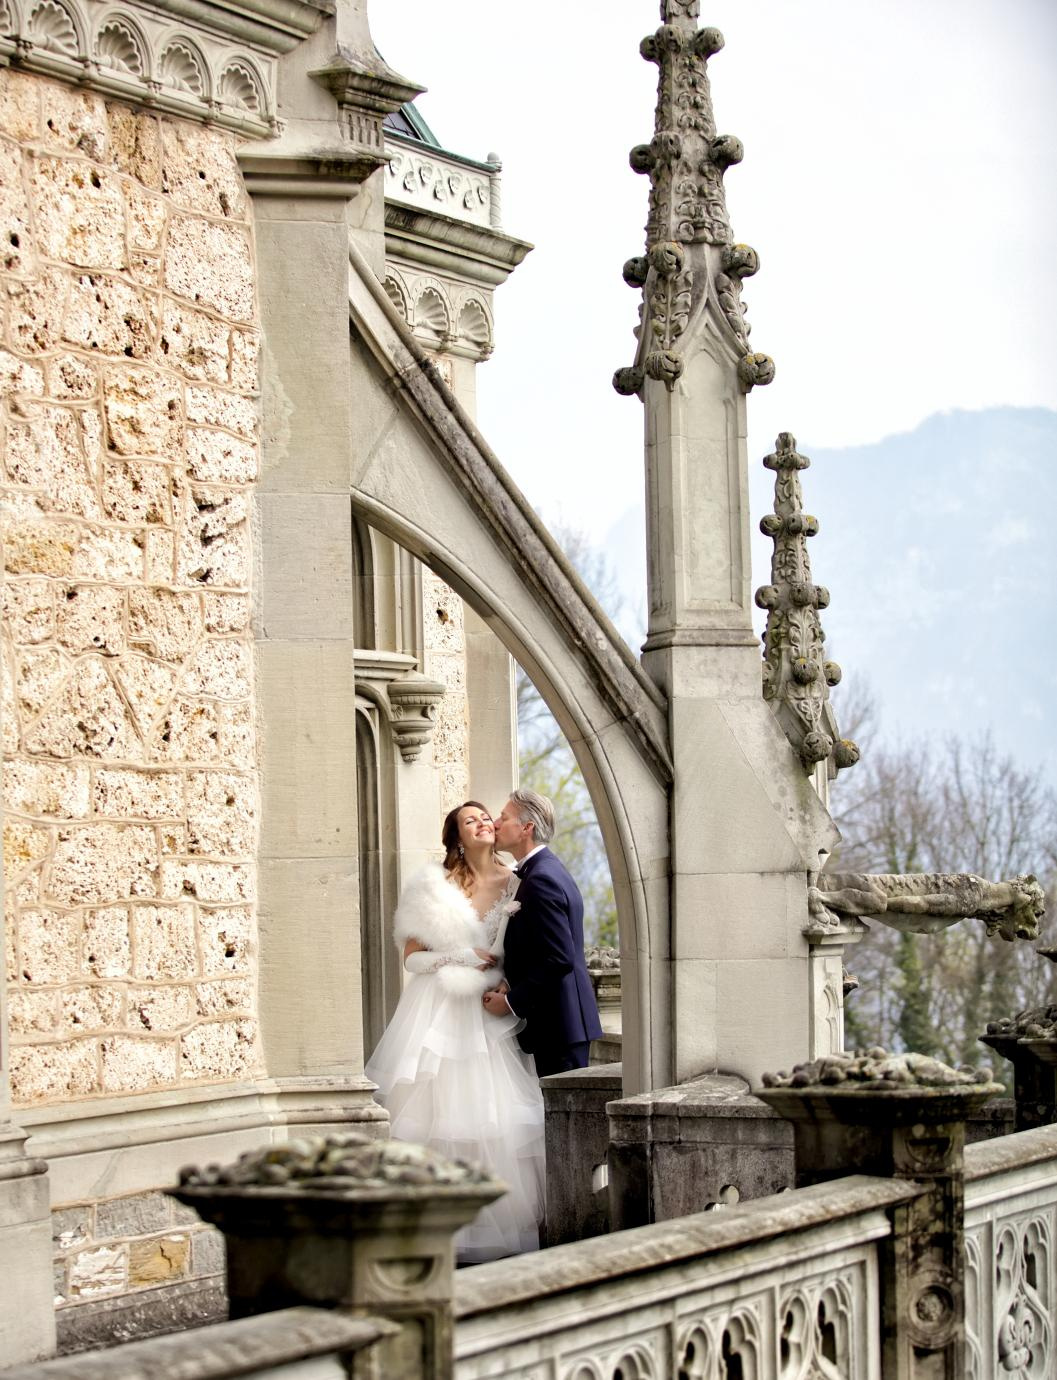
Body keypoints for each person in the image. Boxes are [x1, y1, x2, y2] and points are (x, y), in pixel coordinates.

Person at [364, 801, 545, 1263]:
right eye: (471, 821)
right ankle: (431, 1233)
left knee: (489, 1117)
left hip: (488, 1015)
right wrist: (459, 958)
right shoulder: (435, 886)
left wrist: (508, 984)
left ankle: (486, 1231)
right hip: (438, 1013)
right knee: (435, 1115)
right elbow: (412, 958)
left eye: (486, 817)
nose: (483, 823)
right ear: (457, 839)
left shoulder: (518, 884)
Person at [487, 789, 603, 1078]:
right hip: (561, 1025)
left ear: (526, 828)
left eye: (503, 817)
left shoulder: (542, 879)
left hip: (559, 1027)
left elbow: (559, 959)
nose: (495, 823)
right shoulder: (542, 871)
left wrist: (512, 1002)